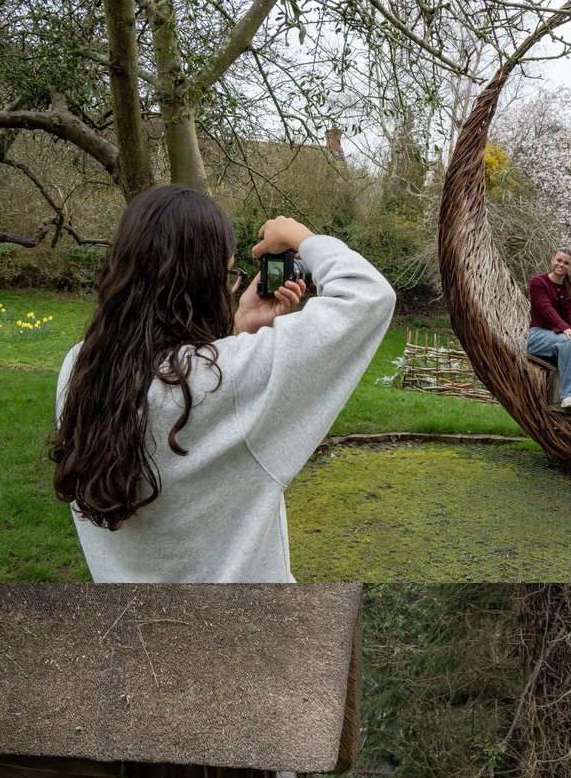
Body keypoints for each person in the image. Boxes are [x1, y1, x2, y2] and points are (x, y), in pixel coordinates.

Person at [52, 184, 395, 582]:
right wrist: (299, 235)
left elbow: (177, 377)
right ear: (203, 283)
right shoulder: (227, 379)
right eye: (228, 274)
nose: (230, 287)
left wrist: (238, 329)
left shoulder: (82, 368)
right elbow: (369, 296)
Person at [527, 247, 571, 412]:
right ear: (552, 260)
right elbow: (546, 310)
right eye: (559, 260)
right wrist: (565, 329)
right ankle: (569, 395)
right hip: (538, 336)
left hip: (560, 336)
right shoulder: (538, 282)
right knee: (569, 342)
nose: (561, 265)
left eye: (566, 263)